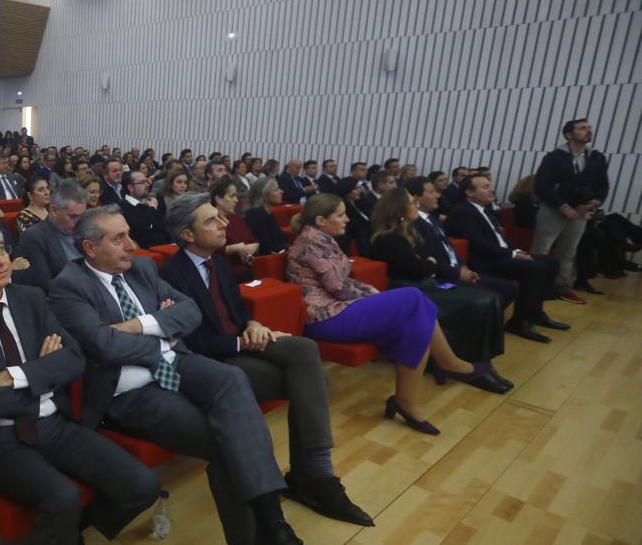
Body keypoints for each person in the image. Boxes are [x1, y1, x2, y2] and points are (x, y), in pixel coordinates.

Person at [50, 206, 302, 545]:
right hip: (130, 389)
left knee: (231, 379)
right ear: (90, 249)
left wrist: (141, 325)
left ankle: (271, 524)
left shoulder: (141, 267)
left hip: (177, 360)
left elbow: (191, 310)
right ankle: (271, 526)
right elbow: (103, 346)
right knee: (226, 442)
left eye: (129, 233)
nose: (131, 244)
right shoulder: (69, 286)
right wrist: (161, 332)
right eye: (118, 238)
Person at [0, 218, 160, 545]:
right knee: (62, 497)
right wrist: (44, 376)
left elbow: (74, 358)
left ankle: (68, 532)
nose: (0, 261)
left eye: (1, 249)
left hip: (54, 424)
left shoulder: (30, 298)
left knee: (143, 485)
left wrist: (18, 374)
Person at [158, 194, 372, 526]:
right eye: (211, 220)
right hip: (217, 356)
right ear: (187, 234)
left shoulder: (219, 263)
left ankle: (316, 472)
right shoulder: (171, 275)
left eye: (220, 217)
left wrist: (254, 324)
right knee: (315, 382)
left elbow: (239, 311)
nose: (224, 223)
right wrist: (241, 341)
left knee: (303, 349)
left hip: (241, 339)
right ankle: (312, 476)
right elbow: (189, 340)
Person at [286, 195, 490, 436]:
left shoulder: (323, 239)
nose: (347, 218)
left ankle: (406, 401)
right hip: (325, 317)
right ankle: (448, 363)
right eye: (340, 215)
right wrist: (372, 297)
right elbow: (338, 288)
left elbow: (343, 282)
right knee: (413, 297)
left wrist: (370, 292)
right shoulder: (311, 244)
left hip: (339, 307)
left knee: (414, 323)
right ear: (321, 220)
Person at [368, 189, 511, 393]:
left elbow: (429, 261)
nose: (416, 205)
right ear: (399, 209)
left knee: (489, 299)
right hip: (408, 290)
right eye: (411, 203)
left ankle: (479, 360)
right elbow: (418, 268)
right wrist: (428, 263)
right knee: (480, 302)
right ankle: (466, 364)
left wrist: (428, 263)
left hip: (424, 283)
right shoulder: (388, 238)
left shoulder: (410, 231)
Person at [445, 175, 568, 343]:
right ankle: (519, 322)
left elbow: (500, 239)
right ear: (469, 192)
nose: (491, 189)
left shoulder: (484, 209)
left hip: (499, 254)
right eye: (485, 187)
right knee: (536, 268)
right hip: (484, 261)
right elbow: (477, 244)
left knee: (552, 262)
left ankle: (535, 312)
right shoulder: (463, 212)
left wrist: (516, 250)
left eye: (490, 185)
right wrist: (512, 255)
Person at [531, 119, 609, 305]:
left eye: (589, 128)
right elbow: (542, 186)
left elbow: (603, 186)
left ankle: (560, 288)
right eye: (582, 128)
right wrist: (564, 208)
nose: (588, 131)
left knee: (568, 253)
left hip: (581, 212)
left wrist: (591, 204)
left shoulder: (596, 158)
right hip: (553, 210)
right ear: (568, 134)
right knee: (541, 250)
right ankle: (534, 286)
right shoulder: (554, 157)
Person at [14, 181, 88, 294]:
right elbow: (45, 284)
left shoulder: (87, 229)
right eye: (73, 216)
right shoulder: (33, 237)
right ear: (54, 210)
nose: (78, 222)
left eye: (82, 216)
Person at [208, 177, 259, 280]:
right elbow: (207, 250)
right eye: (232, 196)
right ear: (218, 199)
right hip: (225, 271)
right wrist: (232, 248)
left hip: (248, 266)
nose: (236, 200)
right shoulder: (209, 220)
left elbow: (252, 240)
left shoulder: (236, 219)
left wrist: (255, 246)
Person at [120, 170, 167, 249]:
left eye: (146, 181)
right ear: (130, 188)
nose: (147, 185)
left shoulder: (151, 202)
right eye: (142, 182)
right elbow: (144, 232)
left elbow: (163, 229)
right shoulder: (122, 209)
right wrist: (152, 209)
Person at [243, 177, 288, 255]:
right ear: (264, 196)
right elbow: (266, 246)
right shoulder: (255, 214)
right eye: (276, 190)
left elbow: (281, 239)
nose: (281, 191)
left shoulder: (268, 213)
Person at [333, 177, 371, 257]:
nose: (360, 191)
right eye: (356, 189)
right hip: (355, 245)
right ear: (347, 190)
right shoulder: (344, 209)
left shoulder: (360, 203)